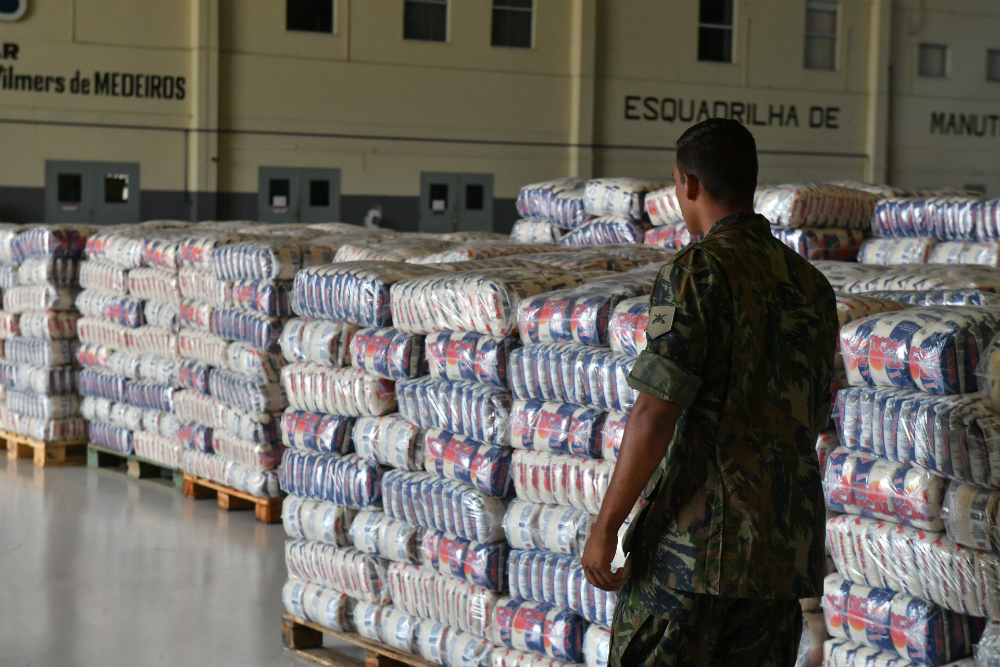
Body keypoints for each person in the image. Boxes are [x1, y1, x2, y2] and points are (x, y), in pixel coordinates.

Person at [580, 118, 838, 667]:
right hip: (779, 553)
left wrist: (606, 527)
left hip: (693, 553)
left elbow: (655, 411)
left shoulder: (698, 271)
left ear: (690, 185)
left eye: (676, 184)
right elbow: (813, 416)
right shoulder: (809, 284)